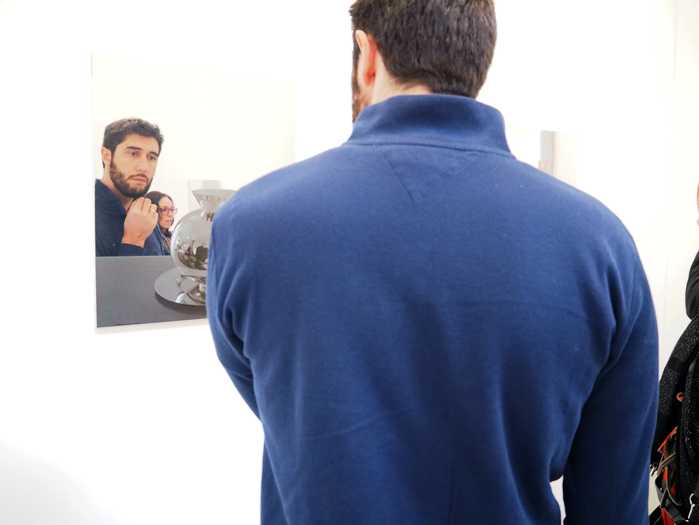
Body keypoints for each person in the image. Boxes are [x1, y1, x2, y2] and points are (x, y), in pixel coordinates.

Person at [207, 1, 659, 524]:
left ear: (366, 55)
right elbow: (613, 504)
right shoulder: (602, 246)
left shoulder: (249, 225)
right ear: (479, 60)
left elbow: (276, 401)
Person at [95, 118, 167, 256]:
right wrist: (133, 240)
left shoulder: (147, 214)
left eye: (152, 157)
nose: (144, 167)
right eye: (133, 154)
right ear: (106, 155)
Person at [145, 191, 177, 255]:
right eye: (164, 209)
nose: (170, 214)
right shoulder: (148, 238)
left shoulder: (173, 237)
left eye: (172, 209)